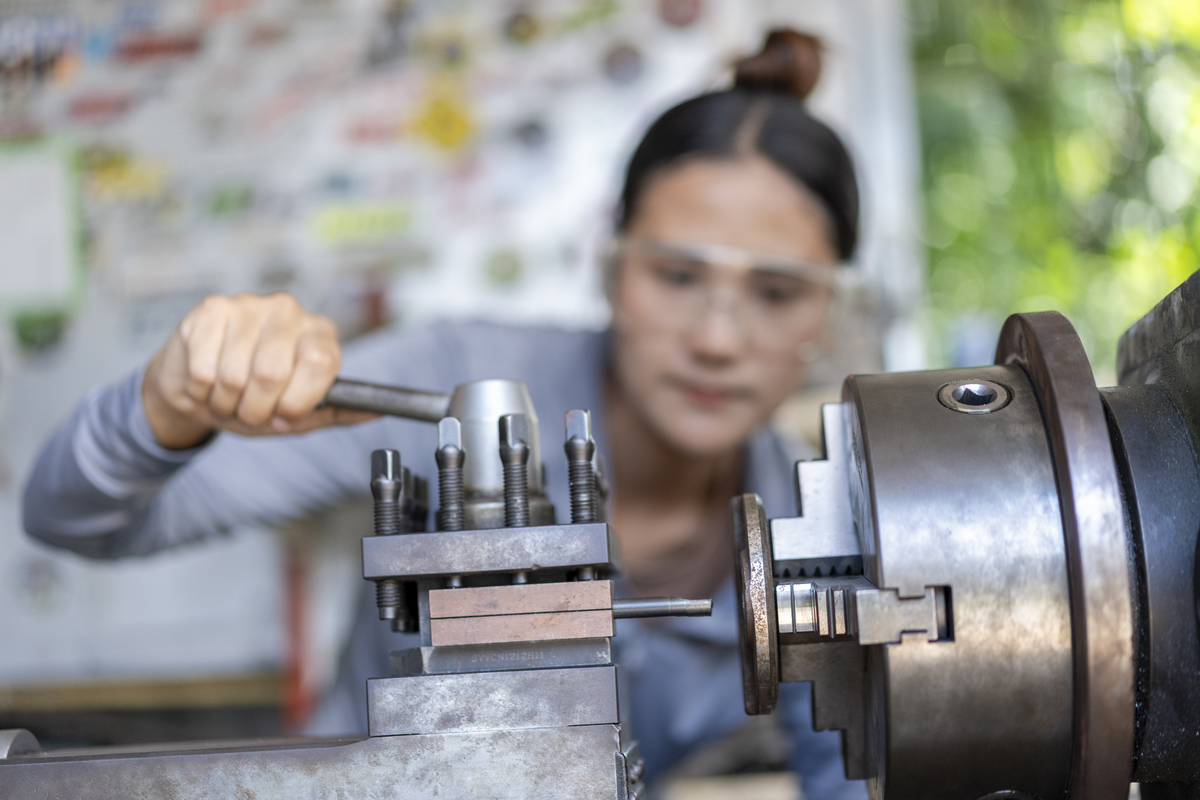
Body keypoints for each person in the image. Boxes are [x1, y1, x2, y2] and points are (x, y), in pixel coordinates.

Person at [23, 29, 866, 799]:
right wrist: (166, 405)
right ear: (607, 264)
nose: (717, 339)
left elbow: (850, 775)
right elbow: (78, 521)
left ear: (827, 313)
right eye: (677, 276)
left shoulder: (816, 531)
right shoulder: (459, 384)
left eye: (776, 292)